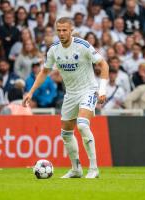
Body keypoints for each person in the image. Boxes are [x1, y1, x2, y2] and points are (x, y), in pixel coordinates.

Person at [23, 17, 109, 179]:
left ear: (71, 30)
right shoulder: (54, 50)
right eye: (59, 30)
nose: (62, 33)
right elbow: (44, 71)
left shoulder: (83, 46)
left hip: (88, 90)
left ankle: (93, 168)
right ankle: (76, 169)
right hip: (70, 94)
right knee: (66, 134)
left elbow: (104, 64)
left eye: (65, 30)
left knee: (82, 125)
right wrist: (31, 91)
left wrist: (102, 90)